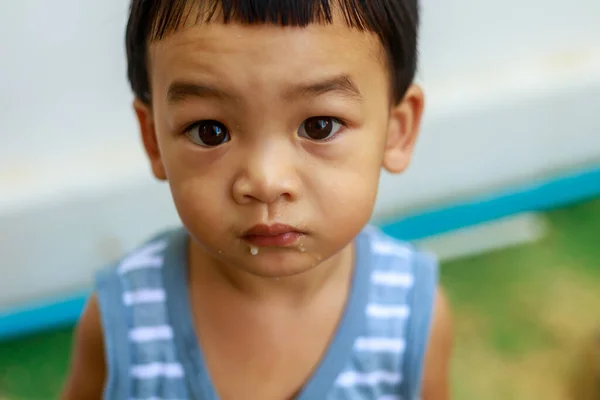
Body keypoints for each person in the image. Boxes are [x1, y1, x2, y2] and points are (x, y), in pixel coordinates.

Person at [61, 1, 453, 399]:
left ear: (397, 131)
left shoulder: (409, 319)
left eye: (319, 127)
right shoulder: (123, 320)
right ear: (153, 139)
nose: (266, 182)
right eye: (210, 131)